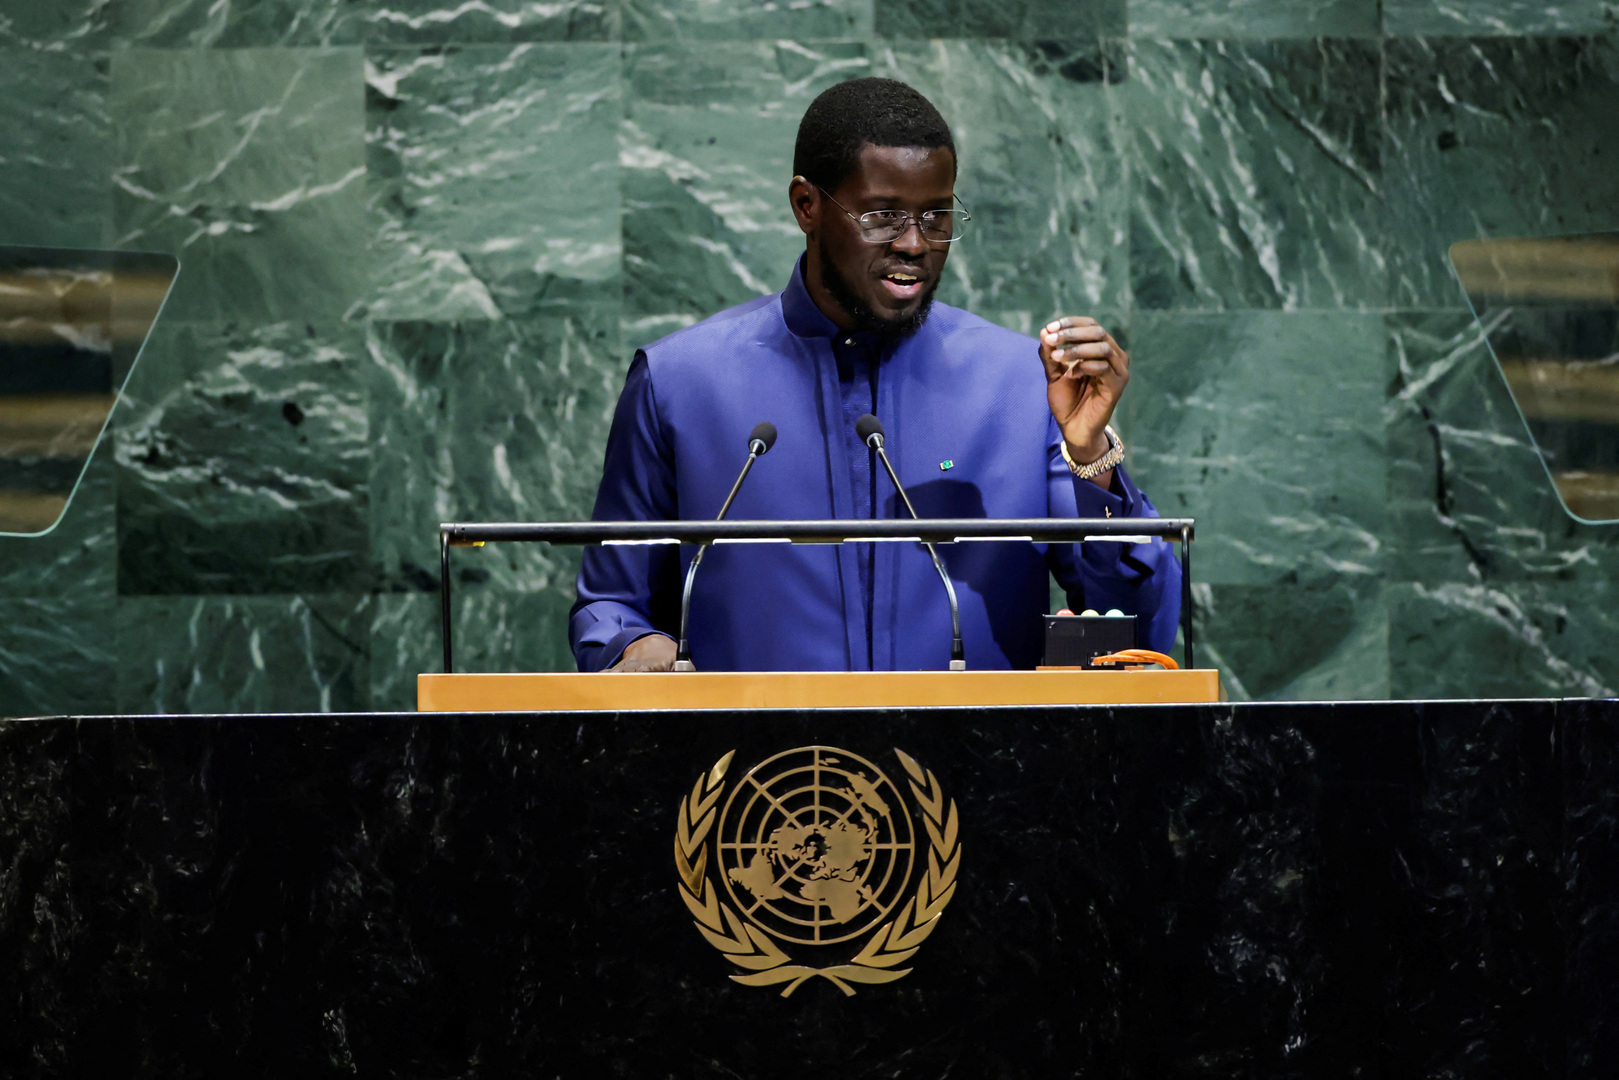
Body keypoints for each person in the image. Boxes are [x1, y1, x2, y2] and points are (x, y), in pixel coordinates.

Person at [570, 77, 1179, 673]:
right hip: (761, 770)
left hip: (974, 768)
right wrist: (629, 647)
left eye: (937, 216)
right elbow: (612, 602)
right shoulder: (678, 383)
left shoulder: (1021, 385)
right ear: (806, 205)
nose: (915, 243)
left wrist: (1090, 454)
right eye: (883, 215)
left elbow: (1137, 629)